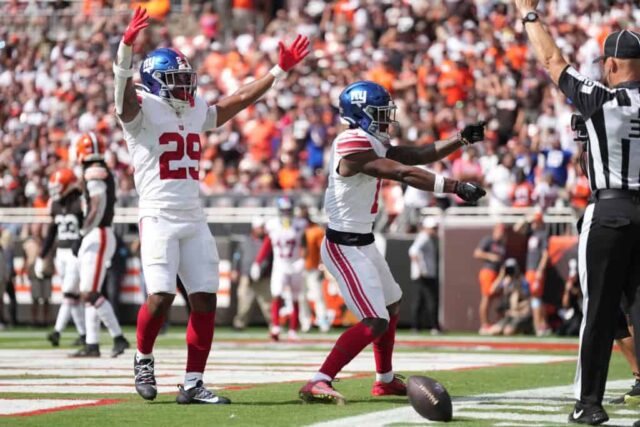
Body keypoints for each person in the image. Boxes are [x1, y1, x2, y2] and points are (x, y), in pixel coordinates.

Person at [114, 7, 309, 403]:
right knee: (161, 296)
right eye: (176, 80)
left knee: (205, 299)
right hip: (158, 216)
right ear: (154, 82)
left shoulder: (194, 109)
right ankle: (143, 357)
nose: (186, 86)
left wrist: (278, 71)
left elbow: (236, 100)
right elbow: (121, 93)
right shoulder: (140, 109)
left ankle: (192, 383)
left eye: (187, 79)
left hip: (193, 216)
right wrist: (125, 50)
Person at [298, 80, 486, 404]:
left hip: (363, 241)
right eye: (380, 113)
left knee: (392, 304)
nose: (387, 119)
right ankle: (319, 379)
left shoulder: (371, 140)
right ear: (360, 114)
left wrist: (460, 140)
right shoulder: (351, 142)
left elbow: (414, 155)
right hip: (344, 245)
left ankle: (384, 380)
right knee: (375, 320)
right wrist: (453, 186)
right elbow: (403, 172)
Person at [513, 0, 640, 422]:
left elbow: (552, 60)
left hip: (610, 210)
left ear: (610, 65)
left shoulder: (601, 99)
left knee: (600, 310)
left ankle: (589, 405)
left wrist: (530, 16)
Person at [71, 133, 129, 359]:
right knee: (88, 292)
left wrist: (82, 232)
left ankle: (118, 337)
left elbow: (97, 205)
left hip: (98, 232)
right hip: (97, 233)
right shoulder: (99, 167)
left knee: (91, 293)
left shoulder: (94, 169)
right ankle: (92, 343)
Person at [36, 169, 86, 347]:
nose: (56, 190)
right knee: (72, 297)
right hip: (60, 254)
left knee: (67, 293)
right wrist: (42, 255)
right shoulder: (55, 204)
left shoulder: (80, 202)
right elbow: (51, 232)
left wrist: (78, 245)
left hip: (76, 253)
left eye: (59, 186)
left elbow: (86, 228)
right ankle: (84, 334)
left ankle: (57, 332)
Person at [252, 197, 306, 341]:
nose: (286, 213)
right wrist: (258, 262)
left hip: (295, 263)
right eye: (284, 210)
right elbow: (267, 244)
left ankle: (293, 330)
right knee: (276, 294)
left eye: (288, 210)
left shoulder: (300, 224)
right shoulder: (272, 224)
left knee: (295, 297)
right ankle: (275, 326)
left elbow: (306, 244)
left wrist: (304, 259)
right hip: (280, 264)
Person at [231, 216, 271, 330]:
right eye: (261, 227)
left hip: (263, 277)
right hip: (246, 276)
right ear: (255, 228)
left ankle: (274, 324)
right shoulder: (245, 241)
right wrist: (235, 269)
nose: (263, 230)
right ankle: (239, 324)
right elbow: (237, 256)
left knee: (267, 304)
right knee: (244, 303)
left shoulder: (267, 241)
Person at [514, 211, 550, 336]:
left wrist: (540, 269)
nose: (533, 223)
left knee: (536, 298)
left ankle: (539, 326)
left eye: (535, 221)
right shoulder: (532, 234)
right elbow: (516, 229)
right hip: (530, 270)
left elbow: (545, 254)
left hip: (535, 270)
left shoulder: (542, 234)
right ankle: (541, 325)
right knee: (534, 298)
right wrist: (526, 218)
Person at [298, 204, 330, 333]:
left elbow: (322, 250)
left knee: (318, 296)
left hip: (312, 268)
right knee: (301, 297)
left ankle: (322, 321)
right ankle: (305, 322)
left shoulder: (316, 230)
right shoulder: (295, 229)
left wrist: (322, 267)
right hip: (298, 269)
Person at [408, 217, 441, 333]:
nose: (436, 230)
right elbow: (413, 251)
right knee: (430, 300)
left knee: (420, 300)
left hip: (423, 274)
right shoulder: (424, 237)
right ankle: (433, 327)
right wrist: (421, 269)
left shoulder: (425, 237)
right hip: (424, 275)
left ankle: (416, 327)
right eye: (434, 228)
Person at [473, 223, 506, 335]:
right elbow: (477, 253)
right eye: (499, 231)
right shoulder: (488, 240)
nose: (501, 234)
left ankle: (499, 323)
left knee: (500, 298)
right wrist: (490, 256)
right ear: (495, 230)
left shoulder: (502, 245)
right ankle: (484, 324)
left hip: (498, 275)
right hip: (488, 272)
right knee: (486, 297)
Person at [488, 258, 532, 336]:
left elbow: (526, 297)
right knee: (494, 331)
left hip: (520, 314)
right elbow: (492, 290)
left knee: (508, 332)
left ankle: (527, 328)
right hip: (510, 315)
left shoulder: (522, 281)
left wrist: (517, 286)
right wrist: (501, 276)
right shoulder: (506, 281)